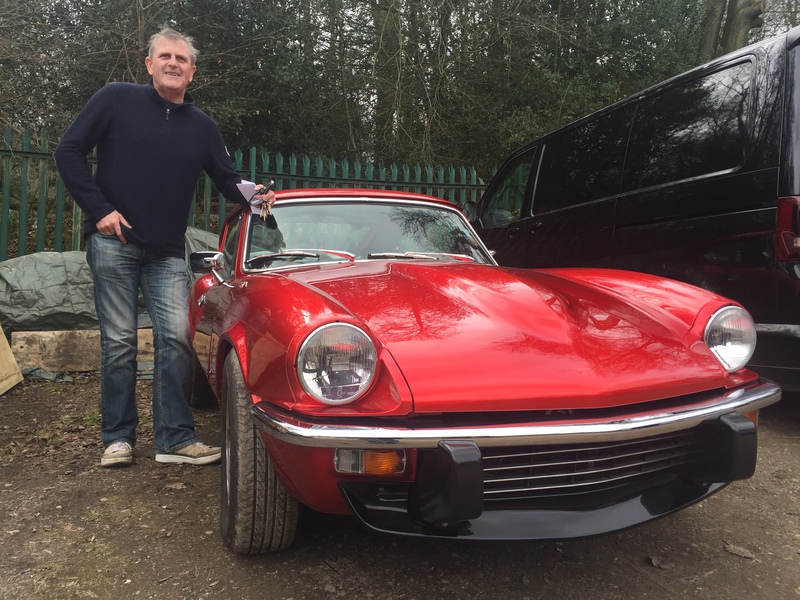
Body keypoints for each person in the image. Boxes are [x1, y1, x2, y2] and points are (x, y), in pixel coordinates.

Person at [54, 27, 273, 468]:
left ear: (192, 72)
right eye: (165, 56)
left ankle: (174, 438)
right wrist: (100, 209)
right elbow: (68, 150)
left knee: (176, 337)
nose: (173, 63)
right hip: (113, 241)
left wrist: (258, 197)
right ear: (149, 64)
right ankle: (118, 439)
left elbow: (227, 178)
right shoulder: (116, 99)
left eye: (182, 59)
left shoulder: (202, 127)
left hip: (167, 252)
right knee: (120, 341)